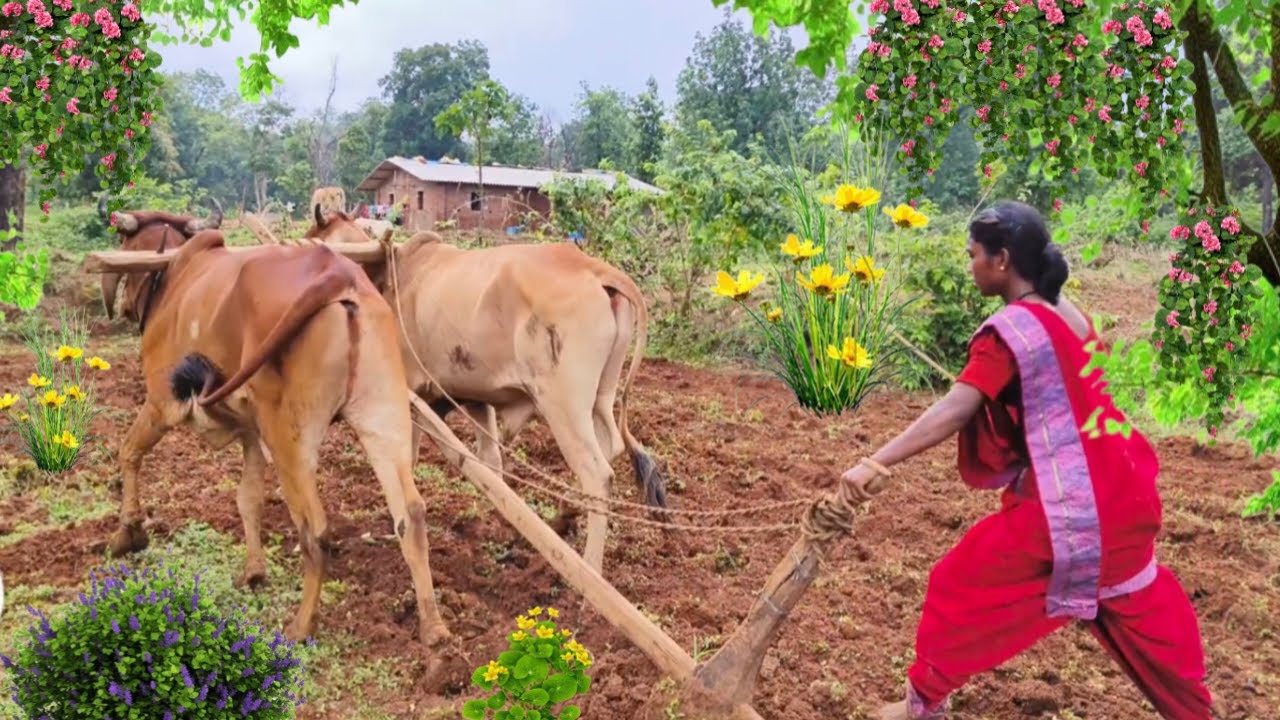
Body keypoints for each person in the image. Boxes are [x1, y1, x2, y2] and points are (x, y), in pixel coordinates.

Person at [839, 201, 1215, 719]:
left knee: (955, 584)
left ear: (1002, 261)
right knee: (1144, 624)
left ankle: (921, 705)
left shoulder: (1008, 333)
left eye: (974, 255)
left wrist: (873, 462)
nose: (970, 265)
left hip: (1070, 514)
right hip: (1123, 497)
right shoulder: (1068, 313)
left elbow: (955, 409)